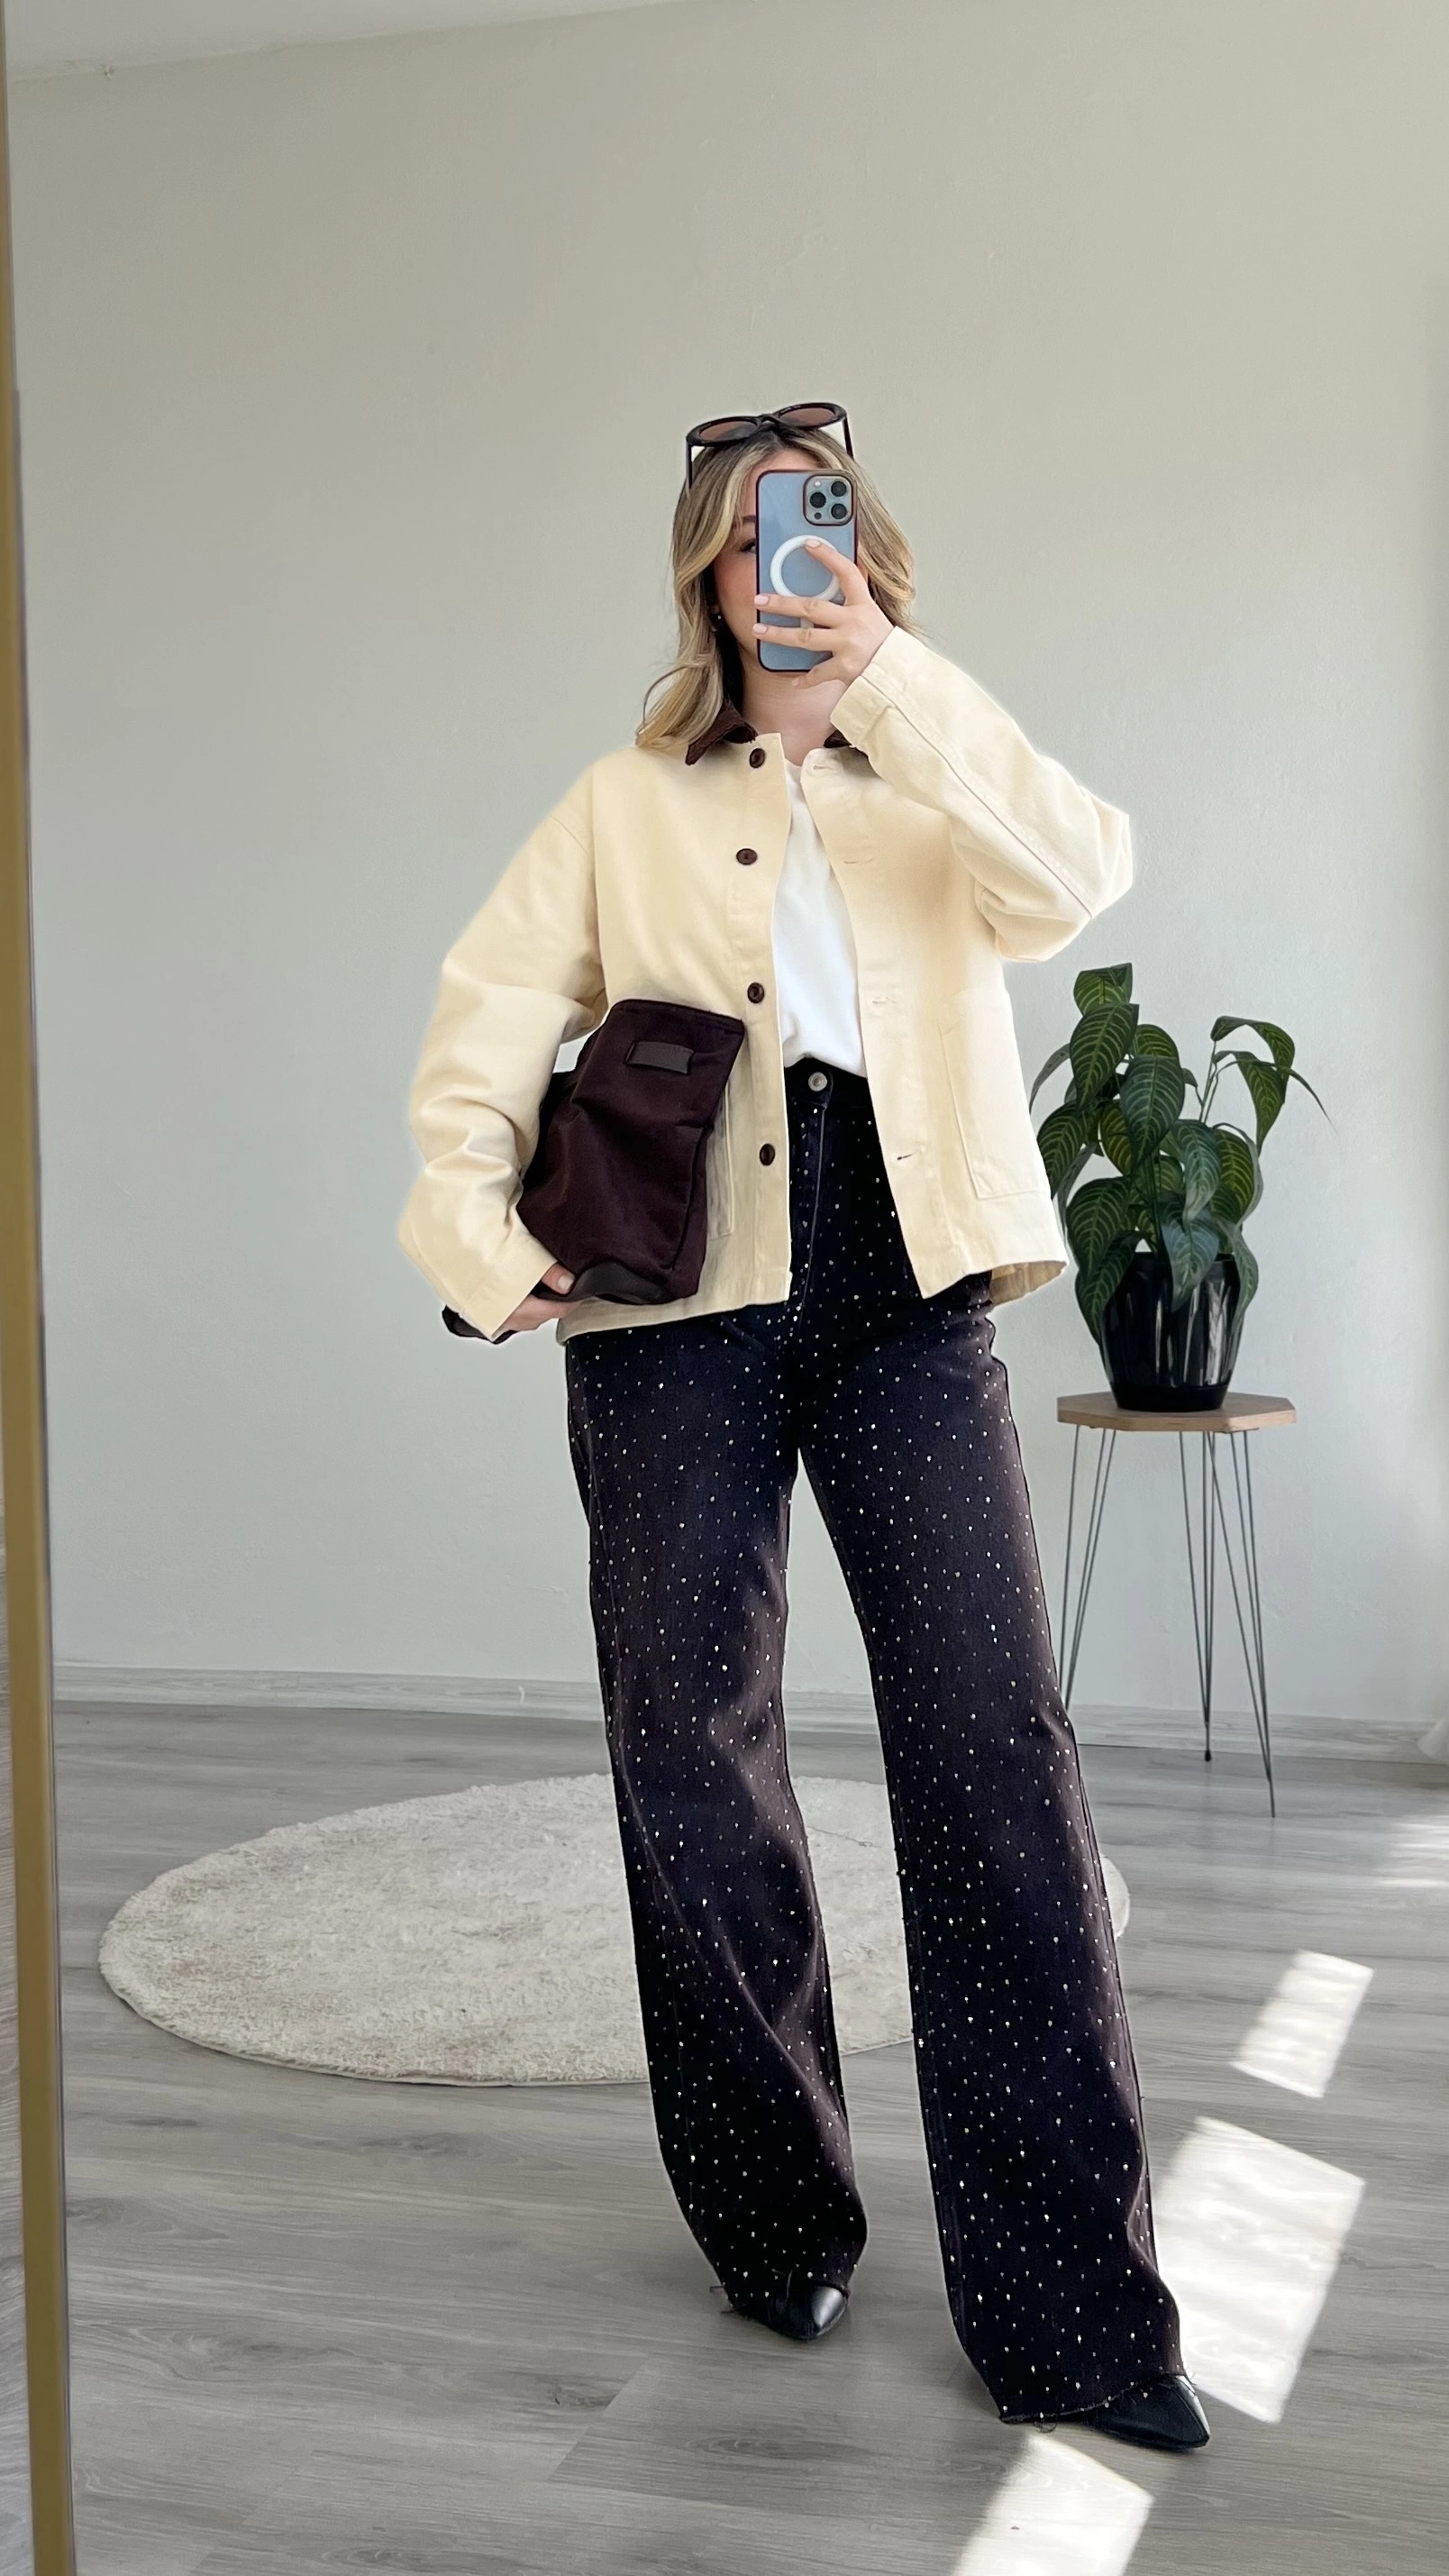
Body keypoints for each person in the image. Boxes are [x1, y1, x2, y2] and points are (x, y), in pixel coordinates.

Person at [397, 403, 1209, 2453]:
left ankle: (1076, 2313)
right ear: (703, 569)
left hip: (908, 1278)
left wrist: (891, 681)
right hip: (675, 1300)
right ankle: (777, 2217)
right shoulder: (620, 801)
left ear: (865, 555)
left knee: (993, 1744)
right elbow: (484, 1023)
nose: (788, 566)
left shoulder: (935, 771)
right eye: (753, 536)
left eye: (820, 531)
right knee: (693, 1743)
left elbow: (1083, 869)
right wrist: (488, 1247)